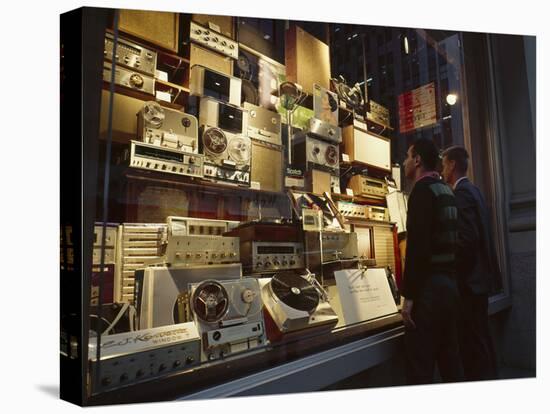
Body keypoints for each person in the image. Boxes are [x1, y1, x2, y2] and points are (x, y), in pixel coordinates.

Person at [401, 138, 463, 384]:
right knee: (450, 363)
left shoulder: (421, 192)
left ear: (417, 160)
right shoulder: (446, 190)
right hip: (449, 287)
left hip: (428, 292)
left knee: (420, 369)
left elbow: (418, 250)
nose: (404, 161)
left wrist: (408, 299)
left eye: (407, 156)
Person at [441, 146, 499, 381]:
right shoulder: (475, 191)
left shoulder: (461, 194)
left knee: (472, 348)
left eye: (444, 164)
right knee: (482, 340)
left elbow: (467, 240)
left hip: (469, 285)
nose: (442, 170)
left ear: (452, 165)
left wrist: (455, 275)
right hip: (481, 281)